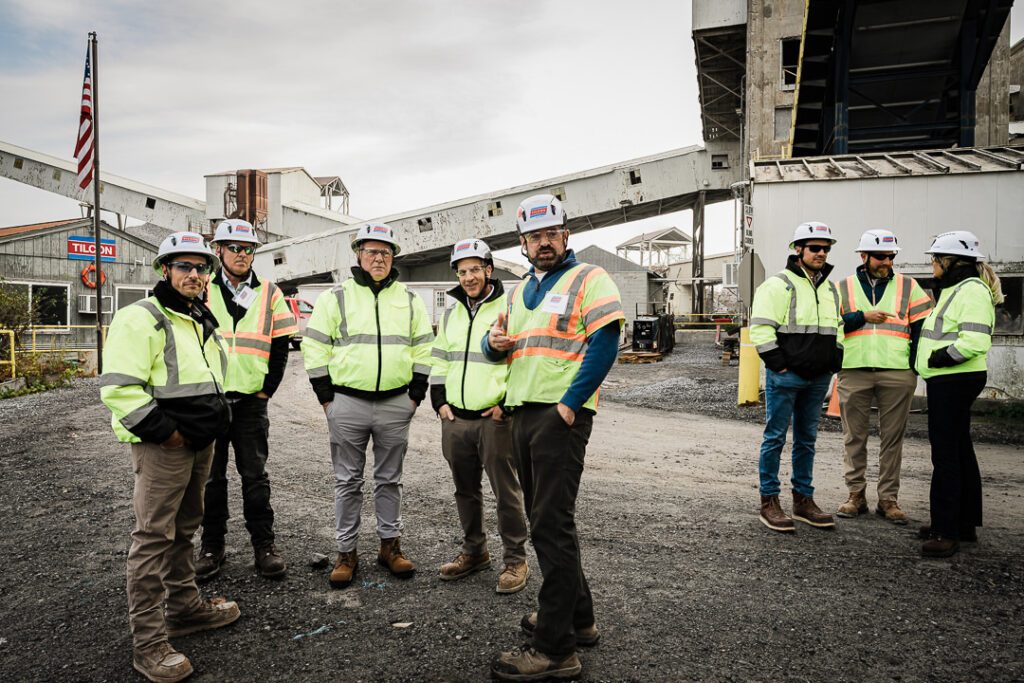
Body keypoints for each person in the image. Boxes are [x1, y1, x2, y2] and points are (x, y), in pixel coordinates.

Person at [486, 194, 624, 681]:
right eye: (534, 236)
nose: (543, 243)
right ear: (522, 243)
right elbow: (498, 347)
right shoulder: (519, 290)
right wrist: (491, 344)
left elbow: (606, 340)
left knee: (549, 525)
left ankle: (556, 649)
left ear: (565, 236)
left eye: (551, 234)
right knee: (550, 520)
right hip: (525, 413)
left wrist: (569, 405)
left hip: (559, 416)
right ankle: (579, 621)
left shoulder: (589, 278)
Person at [100, 232, 240, 683]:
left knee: (185, 528)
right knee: (153, 538)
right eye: (184, 267)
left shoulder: (200, 316)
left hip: (199, 443)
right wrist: (168, 434)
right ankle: (148, 644)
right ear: (165, 270)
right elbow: (120, 388)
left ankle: (184, 608)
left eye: (201, 268)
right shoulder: (142, 317)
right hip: (166, 446)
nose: (194, 275)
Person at [301, 223, 434, 588]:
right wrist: (326, 396)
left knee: (390, 479)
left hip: (395, 403)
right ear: (358, 254)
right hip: (347, 402)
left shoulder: (408, 299)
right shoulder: (336, 297)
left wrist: (415, 395)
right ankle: (346, 552)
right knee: (347, 481)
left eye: (386, 252)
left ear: (394, 259)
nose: (379, 258)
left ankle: (390, 547)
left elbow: (424, 347)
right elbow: (313, 346)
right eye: (372, 251)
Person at [196, 219, 297, 581]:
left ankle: (264, 545)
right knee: (211, 478)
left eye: (248, 249)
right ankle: (212, 547)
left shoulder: (270, 291)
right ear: (218, 250)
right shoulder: (201, 288)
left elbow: (282, 344)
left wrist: (267, 388)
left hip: (251, 402)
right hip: (210, 401)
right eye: (234, 248)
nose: (242, 254)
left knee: (255, 476)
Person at [431, 238, 530, 594]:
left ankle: (515, 560)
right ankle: (475, 551)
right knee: (465, 490)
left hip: (495, 419)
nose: (469, 277)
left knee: (506, 492)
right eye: (462, 271)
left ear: (489, 270)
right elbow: (440, 356)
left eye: (475, 269)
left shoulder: (510, 306)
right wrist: (438, 399)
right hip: (455, 419)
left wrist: (507, 403)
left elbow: (522, 360)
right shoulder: (452, 312)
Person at [750, 221, 844, 533]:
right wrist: (778, 365)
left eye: (826, 248)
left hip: (818, 378)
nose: (822, 253)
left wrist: (834, 360)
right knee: (775, 438)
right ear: (798, 250)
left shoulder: (830, 288)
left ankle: (803, 500)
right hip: (786, 377)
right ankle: (770, 501)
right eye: (815, 248)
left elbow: (837, 328)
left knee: (807, 441)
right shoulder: (777, 285)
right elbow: (761, 328)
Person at [914, 230, 1002, 558]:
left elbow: (975, 341)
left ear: (951, 262)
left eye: (935, 259)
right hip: (951, 379)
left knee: (946, 455)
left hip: (953, 379)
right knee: (960, 450)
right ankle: (962, 523)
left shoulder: (971, 291)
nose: (932, 264)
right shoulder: (960, 288)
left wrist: (938, 358)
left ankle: (945, 531)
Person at [835, 230, 933, 524]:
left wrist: (914, 368)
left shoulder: (909, 286)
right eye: (881, 256)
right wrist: (862, 317)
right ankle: (856, 496)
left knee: (893, 439)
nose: (887, 262)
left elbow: (922, 330)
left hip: (897, 371)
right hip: (854, 370)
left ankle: (888, 500)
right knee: (854, 437)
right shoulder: (842, 288)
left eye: (891, 256)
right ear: (863, 257)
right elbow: (831, 324)